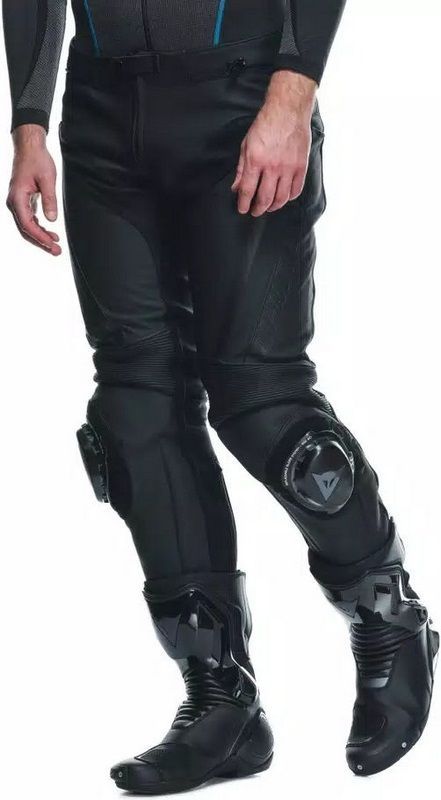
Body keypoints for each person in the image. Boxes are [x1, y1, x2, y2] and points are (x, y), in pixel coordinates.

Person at [3, 1, 438, 792]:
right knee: (136, 409)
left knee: (259, 400)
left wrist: (292, 95)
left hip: (241, 96)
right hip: (101, 115)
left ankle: (387, 617)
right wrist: (28, 123)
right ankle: (221, 703)